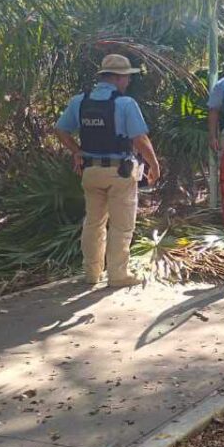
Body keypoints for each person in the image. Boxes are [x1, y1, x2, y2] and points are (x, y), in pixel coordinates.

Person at [55, 54, 161, 288]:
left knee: (93, 223)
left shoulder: (79, 101)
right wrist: (154, 164)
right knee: (122, 225)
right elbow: (140, 138)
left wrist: (77, 151)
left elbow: (61, 130)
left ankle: (91, 274)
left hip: (90, 172)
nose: (128, 82)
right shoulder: (125, 104)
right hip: (119, 173)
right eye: (126, 77)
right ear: (117, 77)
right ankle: (118, 275)